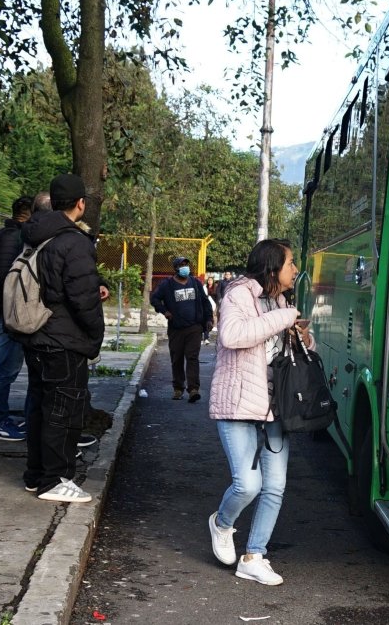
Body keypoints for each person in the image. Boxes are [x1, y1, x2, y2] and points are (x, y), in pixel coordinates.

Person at [207, 238, 313, 586]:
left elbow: (275, 350)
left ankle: (254, 555)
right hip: (239, 403)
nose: (295, 269)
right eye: (290, 263)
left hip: (275, 406)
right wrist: (283, 317)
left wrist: (301, 337)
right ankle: (222, 524)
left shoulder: (280, 300)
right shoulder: (239, 293)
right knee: (248, 484)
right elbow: (233, 336)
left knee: (275, 487)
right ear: (272, 267)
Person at [16, 173, 105, 502]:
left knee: (40, 407)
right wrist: (96, 333)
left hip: (37, 334)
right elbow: (84, 299)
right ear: (80, 203)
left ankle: (36, 474)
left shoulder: (34, 236)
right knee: (62, 410)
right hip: (64, 339)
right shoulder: (75, 242)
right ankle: (55, 480)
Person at [0, 196, 34, 441]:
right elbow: (6, 277)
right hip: (8, 313)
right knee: (7, 368)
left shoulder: (10, 235)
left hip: (9, 311)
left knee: (10, 367)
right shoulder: (11, 238)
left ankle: (4, 417)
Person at [151, 256, 214, 401]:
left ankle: (193, 389)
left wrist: (209, 319)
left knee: (192, 357)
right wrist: (164, 311)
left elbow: (205, 302)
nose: (185, 267)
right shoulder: (167, 284)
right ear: (176, 268)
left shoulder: (195, 283)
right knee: (177, 358)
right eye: (182, 265)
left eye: (187, 264)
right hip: (176, 328)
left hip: (194, 327)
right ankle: (178, 388)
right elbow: (154, 298)